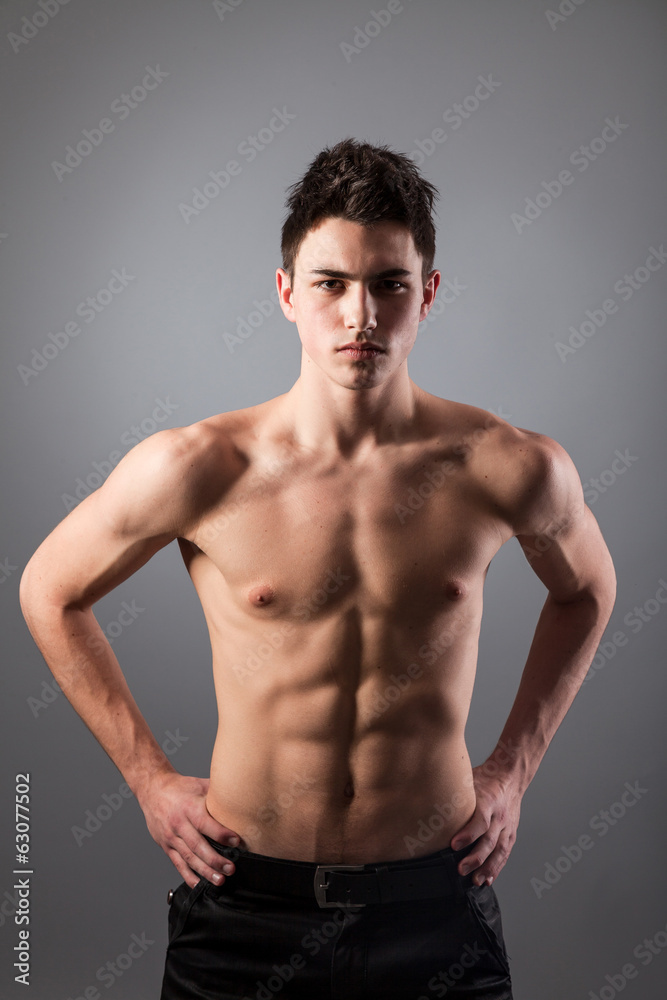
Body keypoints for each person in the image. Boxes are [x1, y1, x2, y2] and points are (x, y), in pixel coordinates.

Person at [19, 138, 616, 999]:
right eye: (331, 284)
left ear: (429, 294)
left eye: (389, 285)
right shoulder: (201, 467)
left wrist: (512, 770)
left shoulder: (506, 466)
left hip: (432, 906)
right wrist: (148, 780)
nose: (360, 316)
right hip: (243, 908)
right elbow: (49, 588)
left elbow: (588, 592)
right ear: (286, 294)